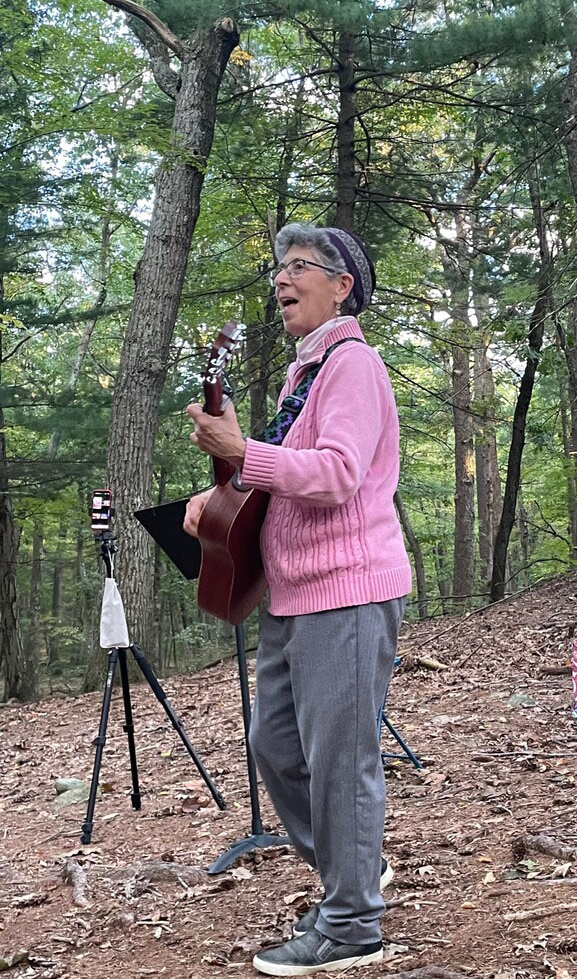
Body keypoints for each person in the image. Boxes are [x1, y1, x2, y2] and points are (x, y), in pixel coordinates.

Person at [184, 223, 412, 976]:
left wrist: (240, 453)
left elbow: (339, 474)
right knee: (275, 746)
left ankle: (351, 926)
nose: (281, 279)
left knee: (339, 762)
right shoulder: (301, 376)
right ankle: (356, 866)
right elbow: (285, 471)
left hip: (345, 593)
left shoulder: (353, 365)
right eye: (277, 268)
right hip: (294, 593)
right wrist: (218, 491)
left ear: (341, 285)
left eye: (299, 267)